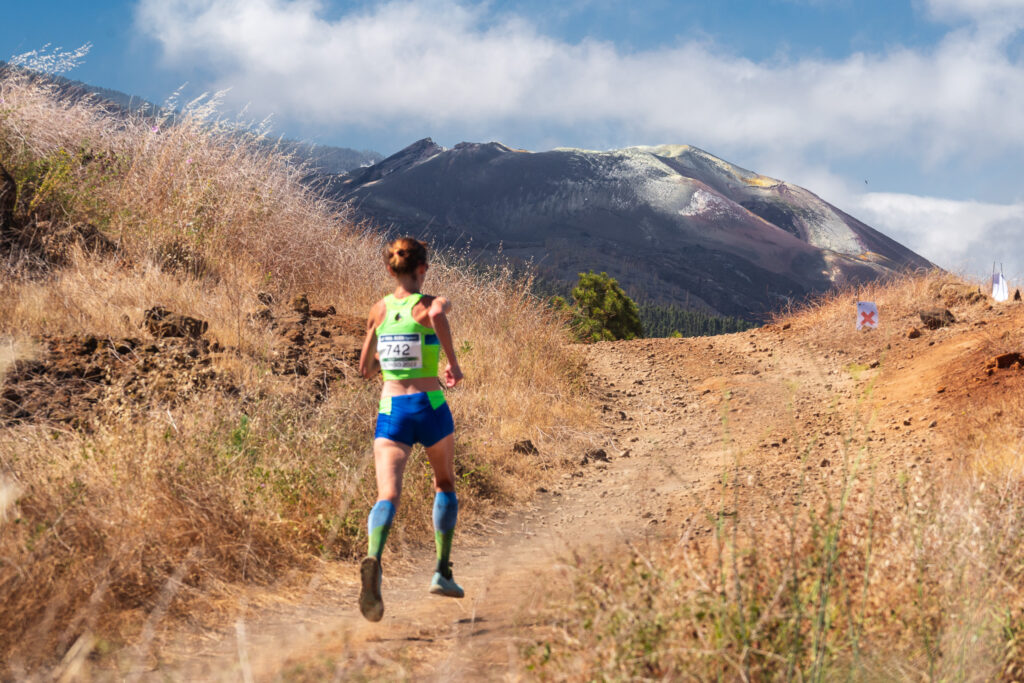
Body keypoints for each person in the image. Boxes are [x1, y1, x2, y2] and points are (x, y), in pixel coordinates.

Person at [357, 237, 465, 622]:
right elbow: (437, 313)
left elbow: (364, 368)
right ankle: (442, 571)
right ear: (424, 268)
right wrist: (452, 363)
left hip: (392, 409)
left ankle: (374, 556)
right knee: (445, 484)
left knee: (388, 493)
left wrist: (386, 364)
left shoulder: (378, 310)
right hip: (429, 405)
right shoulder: (429, 304)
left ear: (390, 270)